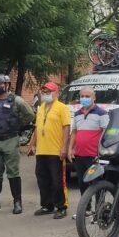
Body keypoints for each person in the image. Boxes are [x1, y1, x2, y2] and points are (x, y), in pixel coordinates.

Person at [0, 74, 35, 214]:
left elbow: (30, 115)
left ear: (7, 85)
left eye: (1, 84)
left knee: (13, 172)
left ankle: (17, 202)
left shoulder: (17, 101)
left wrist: (18, 124)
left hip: (10, 139)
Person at [28, 82, 72, 219]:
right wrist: (32, 144)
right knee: (42, 179)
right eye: (44, 92)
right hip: (42, 150)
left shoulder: (62, 108)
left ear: (56, 93)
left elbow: (66, 128)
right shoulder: (41, 107)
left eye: (49, 92)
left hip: (55, 150)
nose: (46, 94)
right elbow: (37, 127)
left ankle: (61, 206)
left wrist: (64, 147)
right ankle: (47, 205)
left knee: (57, 180)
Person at [67, 86, 109, 217]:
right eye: (82, 96)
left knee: (97, 184)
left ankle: (100, 211)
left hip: (94, 156)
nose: (84, 98)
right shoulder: (77, 114)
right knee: (82, 183)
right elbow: (74, 132)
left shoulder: (102, 113)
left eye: (87, 96)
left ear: (94, 98)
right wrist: (70, 149)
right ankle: (86, 209)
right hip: (79, 155)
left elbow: (106, 133)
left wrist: (101, 152)